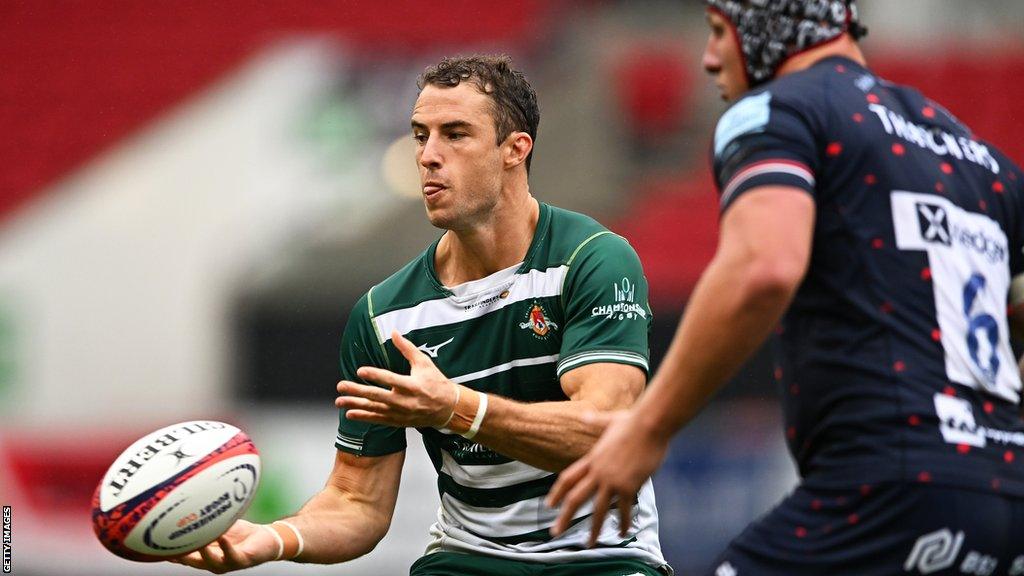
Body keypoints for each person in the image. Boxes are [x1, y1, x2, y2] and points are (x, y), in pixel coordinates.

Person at [548, 1, 1024, 575]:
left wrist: (648, 430)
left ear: (768, 25)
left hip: (888, 488)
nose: (708, 58)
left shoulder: (781, 109)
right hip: (1007, 495)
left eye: (720, 31)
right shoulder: (984, 162)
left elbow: (764, 268)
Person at [172, 55, 670, 575]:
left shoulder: (592, 258)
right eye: (419, 135)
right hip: (469, 560)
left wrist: (456, 407)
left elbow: (604, 432)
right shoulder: (385, 315)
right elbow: (357, 502)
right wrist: (275, 538)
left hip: (602, 556)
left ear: (514, 150)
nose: (428, 156)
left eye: (455, 134)